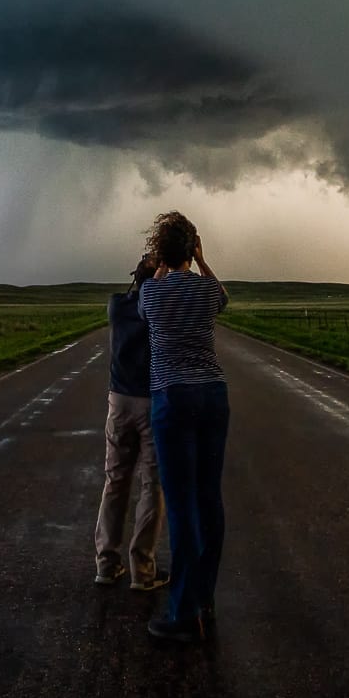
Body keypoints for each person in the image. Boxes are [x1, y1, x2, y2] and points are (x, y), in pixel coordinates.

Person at [136, 211, 229, 644]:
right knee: (209, 499)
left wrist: (162, 264)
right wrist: (203, 260)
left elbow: (143, 297)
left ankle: (182, 612)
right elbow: (223, 296)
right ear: (191, 249)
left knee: (181, 504)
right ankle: (204, 598)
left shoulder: (152, 296)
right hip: (213, 395)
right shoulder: (208, 289)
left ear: (161, 252)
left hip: (172, 398)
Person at [94, 253, 167, 591]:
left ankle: (106, 565)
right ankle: (143, 570)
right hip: (152, 401)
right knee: (152, 486)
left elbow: (135, 294)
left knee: (115, 481)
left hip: (118, 401)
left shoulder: (116, 305)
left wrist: (150, 275)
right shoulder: (159, 309)